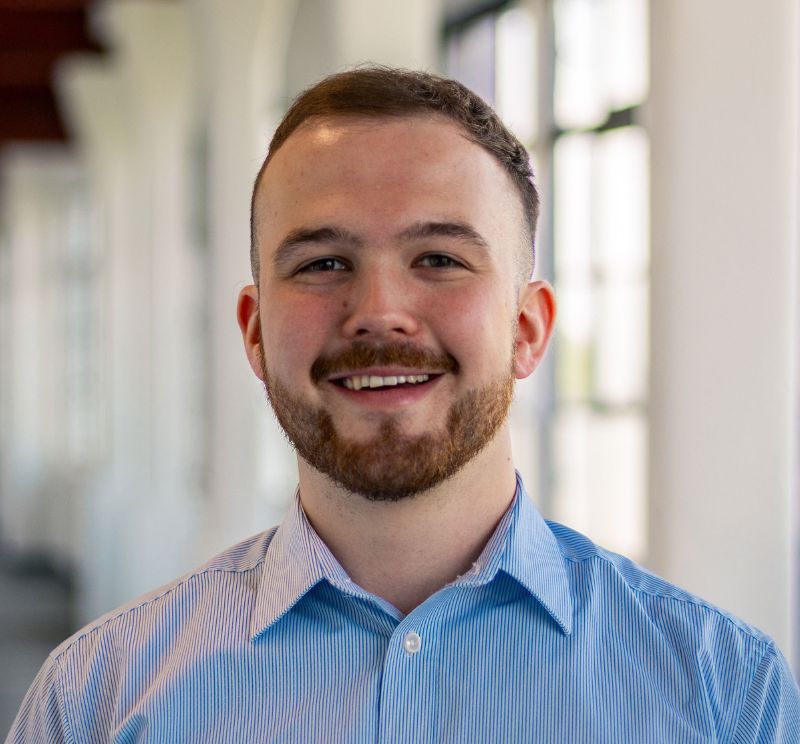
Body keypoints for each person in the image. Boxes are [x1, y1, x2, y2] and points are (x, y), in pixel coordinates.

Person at [7, 66, 800, 743]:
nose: (379, 310)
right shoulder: (95, 701)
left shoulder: (725, 696)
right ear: (254, 332)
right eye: (322, 262)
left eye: (438, 258)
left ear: (527, 329)